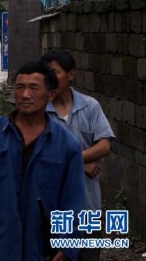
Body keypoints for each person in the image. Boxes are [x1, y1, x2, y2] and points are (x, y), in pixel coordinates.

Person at [0, 61, 85, 260]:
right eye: (20, 87)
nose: (25, 94)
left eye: (34, 88)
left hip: (42, 246)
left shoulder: (67, 145)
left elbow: (74, 201)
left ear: (51, 95)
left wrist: (67, 246)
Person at [40, 49, 115, 261]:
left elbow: (104, 146)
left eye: (54, 72)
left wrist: (73, 159)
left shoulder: (90, 106)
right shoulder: (39, 111)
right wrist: (79, 163)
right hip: (52, 211)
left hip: (88, 206)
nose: (49, 78)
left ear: (71, 74)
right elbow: (38, 156)